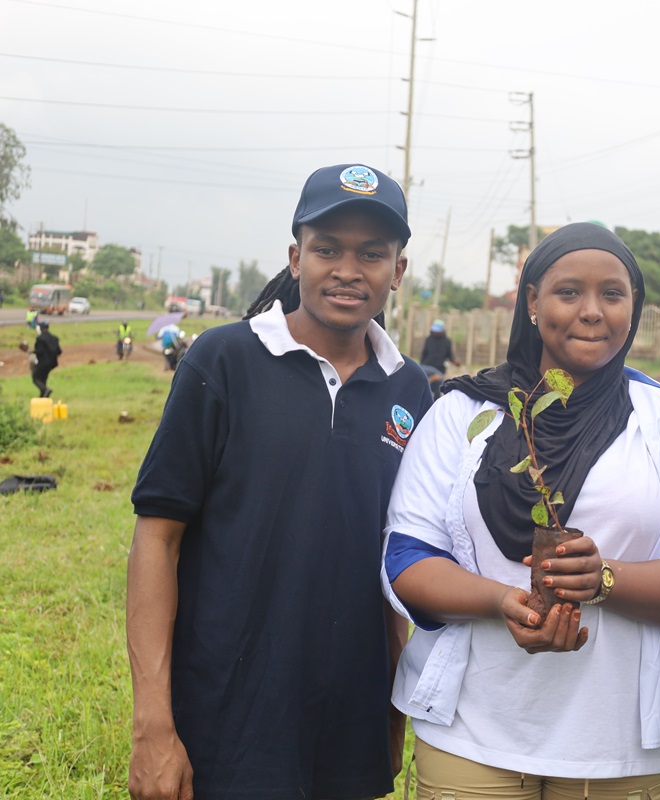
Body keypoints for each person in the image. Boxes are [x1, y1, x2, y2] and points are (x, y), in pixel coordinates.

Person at [382, 222, 660, 799]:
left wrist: (604, 580)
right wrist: (500, 600)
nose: (592, 311)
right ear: (531, 302)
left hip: (619, 745)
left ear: (634, 306)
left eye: (612, 294)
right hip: (473, 732)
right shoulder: (464, 414)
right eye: (569, 292)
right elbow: (407, 557)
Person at [126, 163, 433, 800]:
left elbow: (393, 558)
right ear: (296, 259)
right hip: (225, 716)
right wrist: (153, 724)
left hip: (348, 720)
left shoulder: (409, 389)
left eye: (371, 253)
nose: (348, 270)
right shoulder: (223, 361)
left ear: (398, 270)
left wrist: (391, 710)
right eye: (327, 249)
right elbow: (157, 538)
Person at [31, 321, 61, 398]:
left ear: (41, 328)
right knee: (43, 379)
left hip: (43, 362)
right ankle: (43, 396)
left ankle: (45, 390)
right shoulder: (55, 338)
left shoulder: (40, 339)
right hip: (52, 363)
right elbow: (59, 351)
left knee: (35, 377)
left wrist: (32, 351)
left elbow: (39, 351)